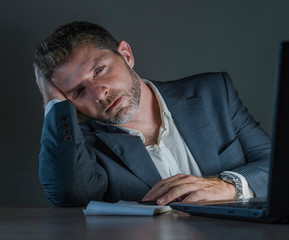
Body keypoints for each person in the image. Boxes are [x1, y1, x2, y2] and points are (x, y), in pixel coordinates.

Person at [34, 21, 271, 207]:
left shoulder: (214, 93)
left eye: (99, 70)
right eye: (78, 92)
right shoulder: (81, 146)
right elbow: (69, 194)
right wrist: (52, 102)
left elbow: (276, 166)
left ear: (126, 55)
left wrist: (229, 186)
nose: (99, 93)